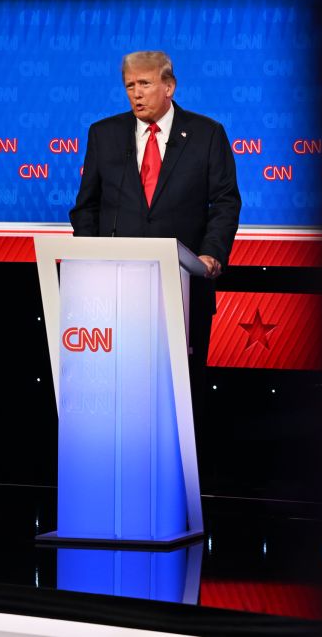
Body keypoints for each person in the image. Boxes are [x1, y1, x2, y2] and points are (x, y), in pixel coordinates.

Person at [69, 49, 241, 437]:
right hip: (116, 292)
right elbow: (86, 207)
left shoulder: (206, 134)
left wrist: (211, 253)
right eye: (130, 85)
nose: (136, 94)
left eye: (145, 84)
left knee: (180, 398)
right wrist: (94, 258)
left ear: (169, 86)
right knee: (121, 395)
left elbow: (226, 201)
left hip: (183, 287)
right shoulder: (104, 134)